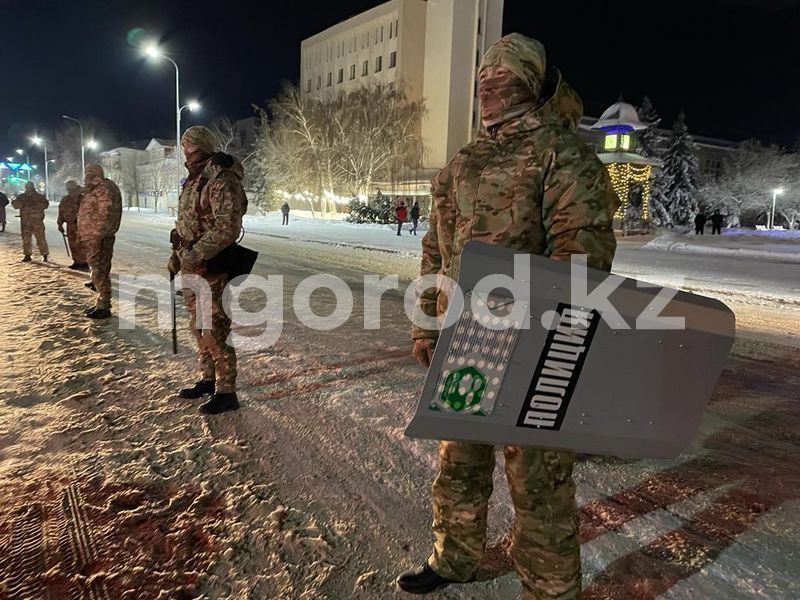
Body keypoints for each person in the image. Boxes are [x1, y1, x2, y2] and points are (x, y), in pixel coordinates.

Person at [398, 34, 619, 599]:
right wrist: (427, 322)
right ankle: (455, 557)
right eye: (484, 78)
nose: (490, 87)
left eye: (505, 78)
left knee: (538, 477)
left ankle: (549, 588)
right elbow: (434, 250)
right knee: (459, 460)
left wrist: (557, 333)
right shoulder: (465, 161)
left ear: (534, 86)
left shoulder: (563, 153)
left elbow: (583, 253)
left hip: (532, 342)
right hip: (464, 337)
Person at [168, 126, 248, 415]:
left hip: (211, 267)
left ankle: (227, 391)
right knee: (199, 327)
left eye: (189, 144)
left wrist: (194, 254)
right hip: (192, 265)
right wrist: (177, 257)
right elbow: (186, 225)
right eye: (183, 144)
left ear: (202, 145)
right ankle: (207, 379)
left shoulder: (220, 178)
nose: (185, 149)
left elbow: (227, 228)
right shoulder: (192, 179)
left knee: (214, 329)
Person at [78, 164, 122, 319]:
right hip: (97, 235)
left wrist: (97, 233)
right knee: (100, 269)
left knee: (99, 270)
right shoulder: (96, 188)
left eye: (88, 173)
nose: (85, 177)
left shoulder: (102, 188)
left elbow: (105, 213)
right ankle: (102, 303)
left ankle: (104, 305)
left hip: (98, 236)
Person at [11, 181, 49, 262]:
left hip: (36, 221)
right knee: (26, 239)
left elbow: (45, 205)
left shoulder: (38, 197)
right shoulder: (22, 197)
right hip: (26, 221)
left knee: (40, 238)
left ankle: (44, 254)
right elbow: (15, 205)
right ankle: (28, 255)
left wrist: (35, 203)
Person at [58, 180, 88, 269]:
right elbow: (61, 213)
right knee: (72, 244)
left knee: (81, 244)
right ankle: (76, 261)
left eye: (71, 187)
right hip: (70, 225)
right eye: (69, 187)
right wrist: (60, 224)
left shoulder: (82, 198)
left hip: (81, 225)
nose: (70, 189)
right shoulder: (65, 199)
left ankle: (84, 262)